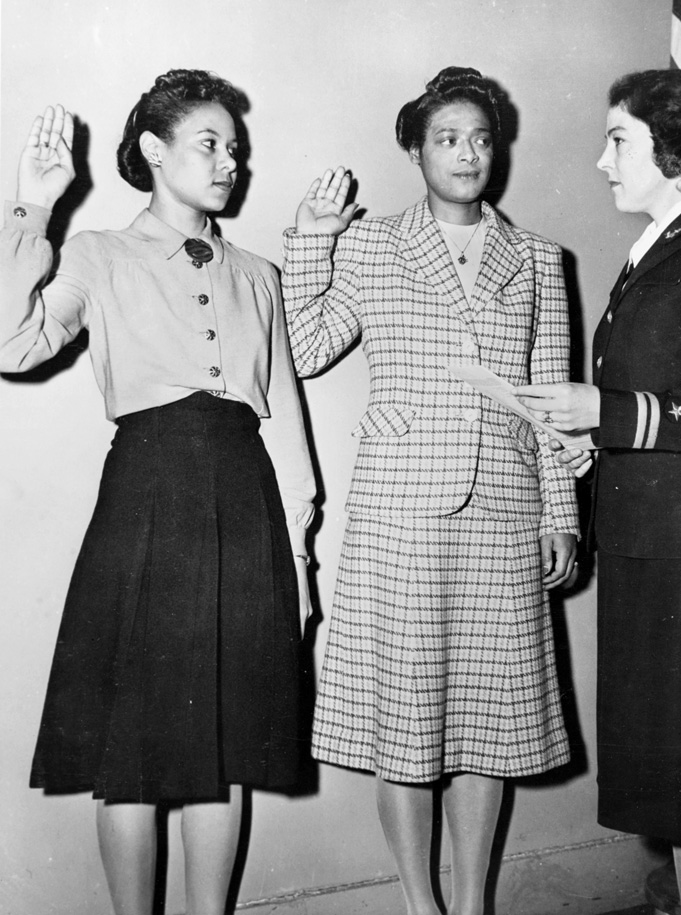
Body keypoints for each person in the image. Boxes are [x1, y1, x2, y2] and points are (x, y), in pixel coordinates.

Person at [0, 70, 315, 915]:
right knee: (133, 746)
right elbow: (12, 343)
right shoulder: (98, 254)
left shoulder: (259, 272)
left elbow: (282, 420)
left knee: (225, 739)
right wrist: (33, 208)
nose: (229, 162)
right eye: (209, 144)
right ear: (153, 150)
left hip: (245, 502)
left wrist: (298, 553)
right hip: (146, 497)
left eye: (234, 148)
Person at [282, 66, 578, 915]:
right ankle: (421, 905)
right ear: (415, 149)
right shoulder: (373, 245)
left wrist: (562, 511)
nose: (468, 153)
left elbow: (551, 390)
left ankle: (472, 903)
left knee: (491, 721)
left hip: (505, 510)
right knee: (405, 723)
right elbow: (304, 348)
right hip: (401, 512)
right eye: (447, 138)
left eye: (482, 138)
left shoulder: (538, 259)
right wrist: (312, 238)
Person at [515, 68, 681, 915]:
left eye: (620, 141)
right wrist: (594, 443)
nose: (602, 162)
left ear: (674, 153)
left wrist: (609, 410)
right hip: (651, 545)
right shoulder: (667, 244)